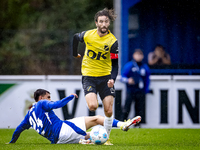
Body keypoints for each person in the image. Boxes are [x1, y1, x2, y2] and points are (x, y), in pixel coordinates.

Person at [8, 89, 141, 144]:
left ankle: (86, 141)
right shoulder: (42, 103)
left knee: (90, 135)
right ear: (41, 98)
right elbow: (57, 104)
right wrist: (70, 97)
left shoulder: (29, 116)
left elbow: (18, 130)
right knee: (97, 119)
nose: (50, 99)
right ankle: (122, 125)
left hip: (57, 140)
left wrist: (12, 142)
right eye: (48, 97)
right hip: (62, 130)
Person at [72, 8, 119, 145]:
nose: (104, 24)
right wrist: (75, 54)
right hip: (89, 76)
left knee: (108, 110)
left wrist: (112, 79)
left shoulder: (112, 42)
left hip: (105, 77)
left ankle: (106, 138)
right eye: (101, 22)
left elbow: (115, 65)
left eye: (106, 21)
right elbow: (75, 37)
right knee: (92, 106)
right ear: (96, 23)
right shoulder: (88, 35)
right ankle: (91, 131)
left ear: (108, 23)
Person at [121, 49, 150, 126]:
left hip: (140, 91)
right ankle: (123, 123)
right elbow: (122, 77)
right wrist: (128, 80)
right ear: (134, 55)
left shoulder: (144, 67)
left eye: (140, 55)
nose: (139, 56)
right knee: (127, 107)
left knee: (139, 109)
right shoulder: (129, 65)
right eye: (137, 54)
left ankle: (137, 125)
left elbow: (147, 79)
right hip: (131, 90)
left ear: (143, 56)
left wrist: (146, 90)